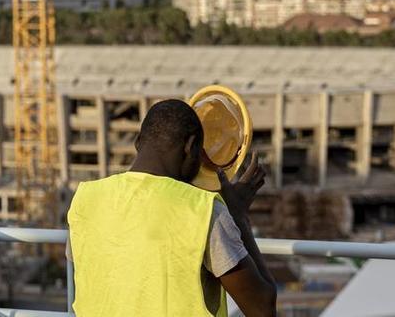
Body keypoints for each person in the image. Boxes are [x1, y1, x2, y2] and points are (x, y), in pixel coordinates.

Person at [67, 99, 277, 317]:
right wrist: (238, 215)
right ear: (191, 146)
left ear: (138, 142)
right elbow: (262, 309)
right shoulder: (203, 211)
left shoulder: (85, 199)